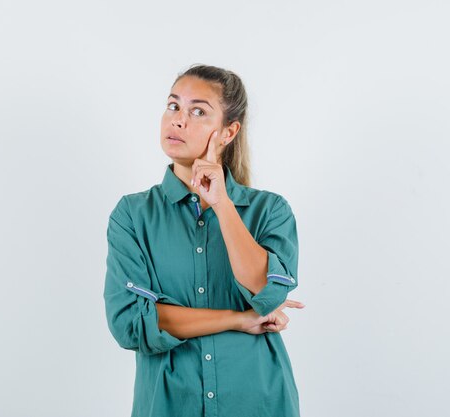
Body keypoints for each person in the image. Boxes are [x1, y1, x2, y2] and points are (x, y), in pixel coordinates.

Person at [103, 64, 305, 417]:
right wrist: (237, 319)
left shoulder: (270, 211)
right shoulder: (133, 215)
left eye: (198, 111)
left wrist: (222, 204)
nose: (178, 120)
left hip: (257, 400)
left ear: (228, 132)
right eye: (173, 106)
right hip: (169, 406)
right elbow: (131, 323)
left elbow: (266, 292)